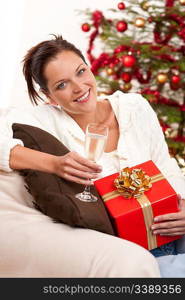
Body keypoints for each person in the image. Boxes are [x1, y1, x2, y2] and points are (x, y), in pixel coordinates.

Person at [0, 35, 184, 278]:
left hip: (168, 228)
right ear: (50, 96)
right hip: (125, 254)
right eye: (62, 85)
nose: (79, 87)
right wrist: (54, 163)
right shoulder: (44, 120)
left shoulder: (134, 106)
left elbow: (165, 167)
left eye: (80, 71)